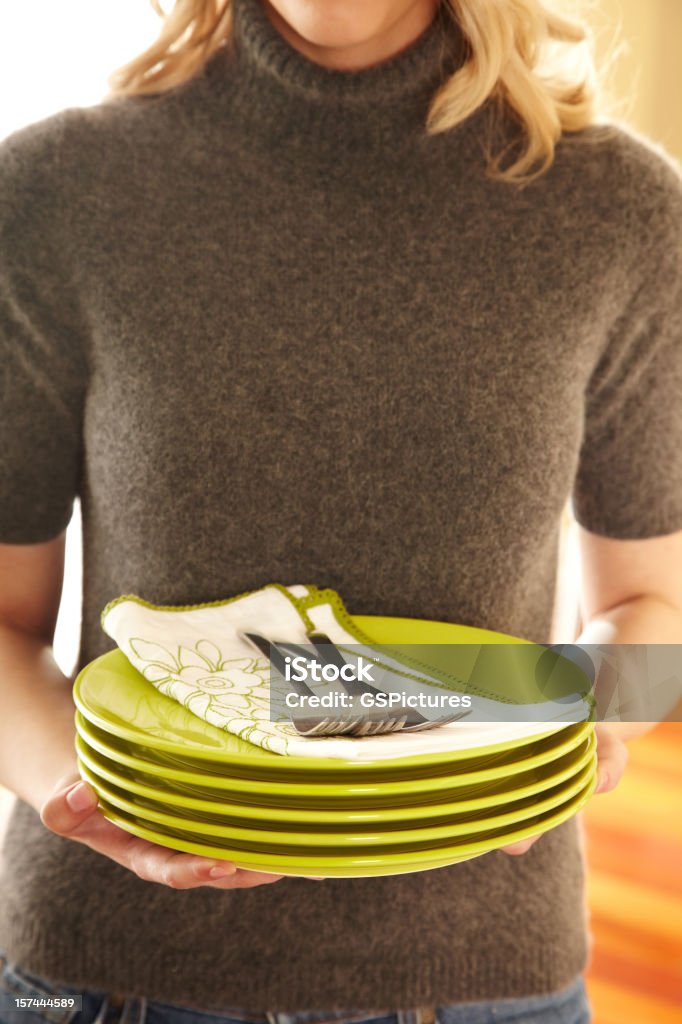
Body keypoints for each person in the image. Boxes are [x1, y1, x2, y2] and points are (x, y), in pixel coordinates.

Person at [1, 0, 681, 1021]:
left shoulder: (620, 208)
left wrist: (585, 723)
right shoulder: (55, 191)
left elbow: (652, 608)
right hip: (111, 975)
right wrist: (93, 802)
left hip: (484, 979)